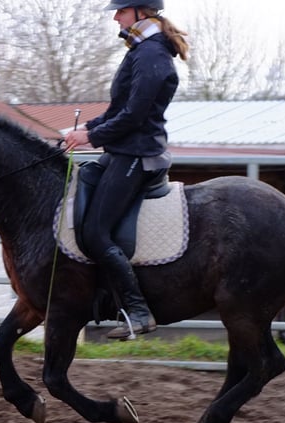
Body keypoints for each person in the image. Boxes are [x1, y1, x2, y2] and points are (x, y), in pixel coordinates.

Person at [64, 1, 189, 339]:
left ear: (140, 12)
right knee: (84, 180)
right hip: (124, 150)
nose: (115, 17)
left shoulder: (151, 54)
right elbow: (118, 109)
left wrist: (90, 136)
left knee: (95, 233)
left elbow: (133, 116)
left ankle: (137, 310)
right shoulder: (140, 50)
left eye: (120, 11)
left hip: (137, 154)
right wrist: (85, 128)